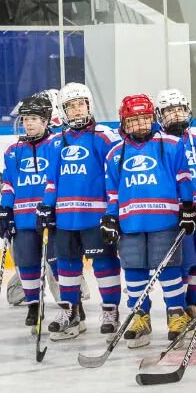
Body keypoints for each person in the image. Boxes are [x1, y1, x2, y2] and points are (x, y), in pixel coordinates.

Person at [102, 93, 196, 348]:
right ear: (123, 122)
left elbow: (184, 179)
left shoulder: (171, 144)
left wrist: (188, 207)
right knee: (133, 269)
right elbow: (112, 192)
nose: (140, 125)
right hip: (131, 223)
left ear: (153, 118)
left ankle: (176, 314)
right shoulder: (114, 153)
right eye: (133, 120)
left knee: (168, 268)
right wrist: (111, 217)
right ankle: (139, 317)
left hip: (164, 221)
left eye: (144, 118)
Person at [38, 82, 122, 340]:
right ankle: (70, 312)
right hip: (65, 217)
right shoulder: (54, 142)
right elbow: (52, 180)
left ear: (89, 105)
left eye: (80, 104)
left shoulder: (104, 137)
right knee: (67, 265)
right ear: (63, 111)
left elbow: (115, 177)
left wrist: (112, 211)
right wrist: (46, 206)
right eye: (70, 106)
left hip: (95, 217)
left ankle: (110, 311)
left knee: (105, 264)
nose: (76, 110)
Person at [155, 89, 196, 334]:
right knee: (178, 263)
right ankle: (177, 309)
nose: (175, 115)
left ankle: (195, 305)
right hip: (174, 214)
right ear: (159, 115)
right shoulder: (157, 144)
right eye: (169, 111)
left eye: (179, 109)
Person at [0, 92, 55, 327]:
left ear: (46, 120)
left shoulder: (56, 145)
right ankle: (34, 305)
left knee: (60, 264)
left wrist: (51, 207)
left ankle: (72, 306)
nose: (29, 123)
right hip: (23, 219)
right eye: (26, 119)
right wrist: (5, 211)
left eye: (34, 118)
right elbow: (8, 183)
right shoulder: (13, 150)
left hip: (50, 217)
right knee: (27, 263)